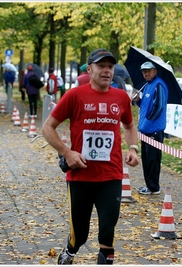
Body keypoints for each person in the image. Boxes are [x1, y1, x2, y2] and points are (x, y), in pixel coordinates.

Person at [41, 48, 139, 265]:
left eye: (110, 67)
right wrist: (67, 153)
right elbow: (48, 128)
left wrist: (133, 148)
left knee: (107, 232)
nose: (107, 71)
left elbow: (130, 125)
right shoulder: (75, 95)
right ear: (90, 68)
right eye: (101, 66)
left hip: (111, 176)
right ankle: (70, 250)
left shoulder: (121, 97)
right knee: (80, 234)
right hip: (81, 177)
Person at [132, 61, 168, 195]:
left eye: (149, 71)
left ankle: (154, 187)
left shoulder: (159, 85)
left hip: (154, 130)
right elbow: (146, 105)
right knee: (146, 159)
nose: (146, 73)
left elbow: (159, 106)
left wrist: (148, 120)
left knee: (153, 159)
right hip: (145, 129)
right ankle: (149, 185)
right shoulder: (147, 85)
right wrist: (138, 101)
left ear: (155, 71)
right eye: (144, 71)